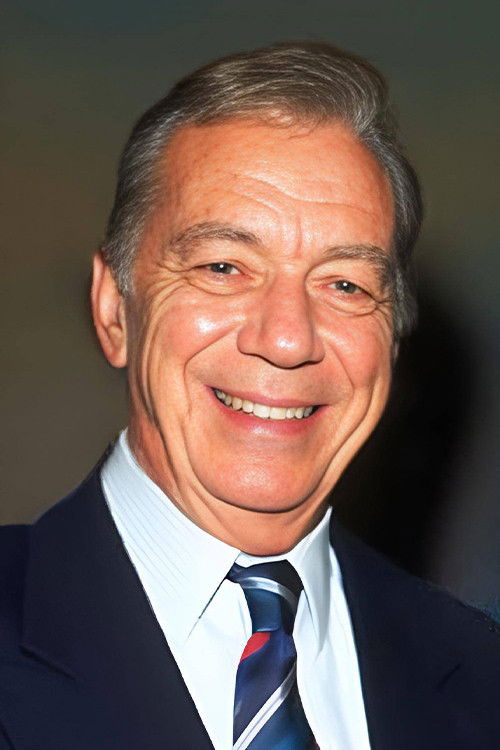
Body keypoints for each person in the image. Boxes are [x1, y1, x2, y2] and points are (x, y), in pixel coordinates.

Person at [0, 41, 498, 750]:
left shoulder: (480, 678)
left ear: (392, 341)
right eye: (224, 267)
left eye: (346, 284)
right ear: (114, 310)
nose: (288, 338)